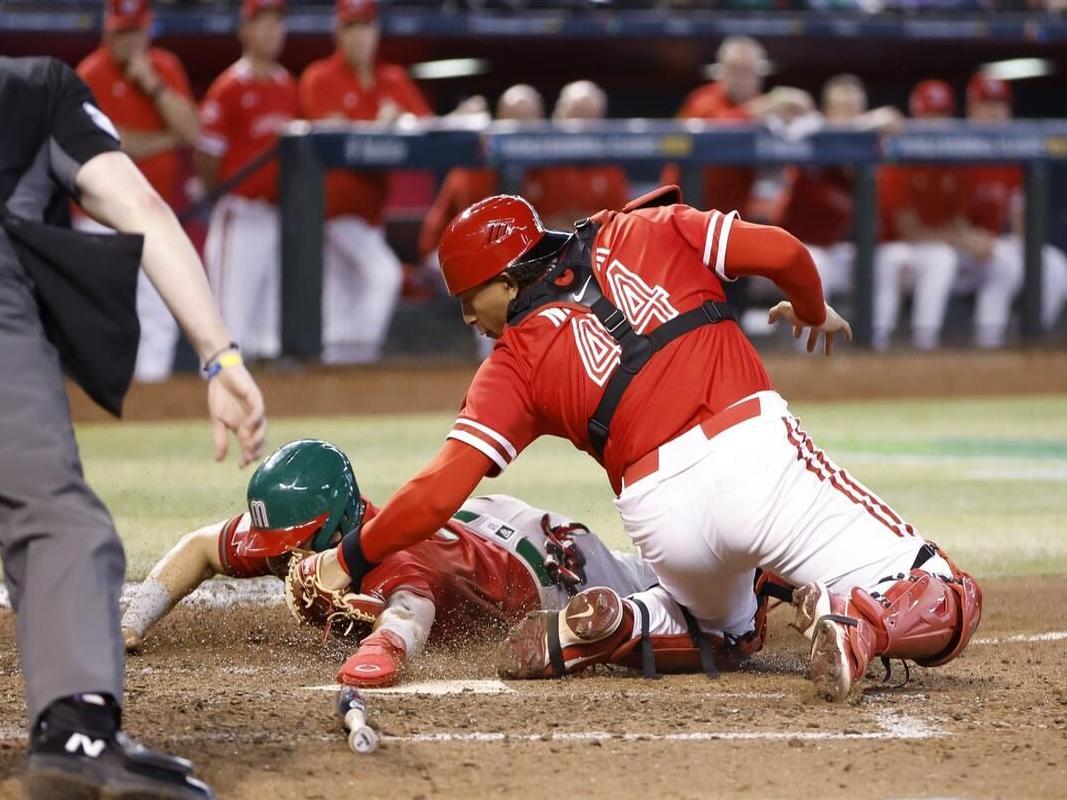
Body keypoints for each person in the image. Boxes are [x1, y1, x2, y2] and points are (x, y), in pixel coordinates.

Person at [286, 185, 981, 704]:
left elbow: (440, 488)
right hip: (753, 460)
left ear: (508, 278)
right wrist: (808, 308)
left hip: (660, 515)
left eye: (471, 297)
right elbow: (784, 251)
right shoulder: (646, 226)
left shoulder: (510, 366)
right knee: (949, 591)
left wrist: (348, 559)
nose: (469, 315)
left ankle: (622, 626)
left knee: (728, 636)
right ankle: (863, 624)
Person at [0, 56, 265, 799]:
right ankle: (77, 732)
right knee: (57, 524)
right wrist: (217, 355)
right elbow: (142, 209)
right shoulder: (32, 88)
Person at [121, 439, 734, 688]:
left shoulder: (394, 563)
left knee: (688, 593)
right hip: (476, 528)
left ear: (336, 526)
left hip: (548, 565)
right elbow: (203, 546)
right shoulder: (304, 530)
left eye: (295, 545)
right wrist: (133, 620)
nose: (283, 558)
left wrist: (375, 652)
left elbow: (409, 615)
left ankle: (774, 571)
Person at [298, 0, 433, 364]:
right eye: (352, 28)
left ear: (376, 32)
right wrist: (378, 122)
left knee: (343, 301)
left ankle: (339, 373)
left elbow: (426, 126)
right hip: (330, 213)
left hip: (371, 214)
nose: (360, 37)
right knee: (383, 274)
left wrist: (401, 119)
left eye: (366, 27)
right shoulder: (320, 76)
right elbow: (332, 137)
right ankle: (359, 360)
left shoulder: (392, 79)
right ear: (339, 32)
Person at [76, 0, 199, 381]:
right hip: (102, 220)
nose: (128, 41)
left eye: (134, 31)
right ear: (107, 31)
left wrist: (153, 86)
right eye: (121, 31)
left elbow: (192, 131)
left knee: (159, 317)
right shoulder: (89, 73)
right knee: (105, 322)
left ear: (148, 29)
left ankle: (150, 407)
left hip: (154, 217)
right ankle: (102, 411)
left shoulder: (165, 68)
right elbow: (109, 144)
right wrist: (167, 139)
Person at [196, 0, 298, 361]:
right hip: (238, 214)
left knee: (266, 333)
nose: (271, 30)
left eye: (277, 22)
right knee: (229, 329)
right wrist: (221, 196)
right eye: (262, 22)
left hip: (274, 216)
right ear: (245, 29)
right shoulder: (229, 87)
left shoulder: (287, 85)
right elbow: (207, 157)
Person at [776, 74, 902, 302]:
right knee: (817, 266)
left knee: (884, 263)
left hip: (842, 252)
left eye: (853, 110)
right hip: (802, 248)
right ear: (828, 112)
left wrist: (864, 126)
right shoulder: (811, 132)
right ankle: (806, 340)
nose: (847, 118)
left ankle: (877, 338)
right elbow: (799, 125)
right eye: (841, 109)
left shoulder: (866, 151)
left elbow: (891, 117)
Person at [962, 73, 1067, 343]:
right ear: (971, 109)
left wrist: (1026, 247)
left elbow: (1017, 210)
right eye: (986, 104)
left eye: (1000, 104)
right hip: (954, 244)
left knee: (1055, 266)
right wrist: (966, 238)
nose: (994, 112)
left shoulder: (1010, 152)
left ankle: (1030, 343)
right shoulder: (955, 144)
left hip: (993, 242)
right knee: (1005, 266)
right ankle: (988, 344)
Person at [664, 35, 812, 217]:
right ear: (720, 72)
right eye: (735, 71)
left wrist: (799, 110)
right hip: (686, 210)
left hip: (734, 214)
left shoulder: (763, 104)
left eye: (748, 71)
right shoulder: (702, 100)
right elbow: (719, 133)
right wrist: (767, 107)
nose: (742, 79)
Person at [522, 81, 630, 230]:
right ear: (559, 115)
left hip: (593, 244)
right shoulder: (536, 159)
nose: (580, 125)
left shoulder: (608, 166)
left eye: (588, 116)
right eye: (576, 114)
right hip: (545, 243)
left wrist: (586, 224)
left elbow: (620, 218)